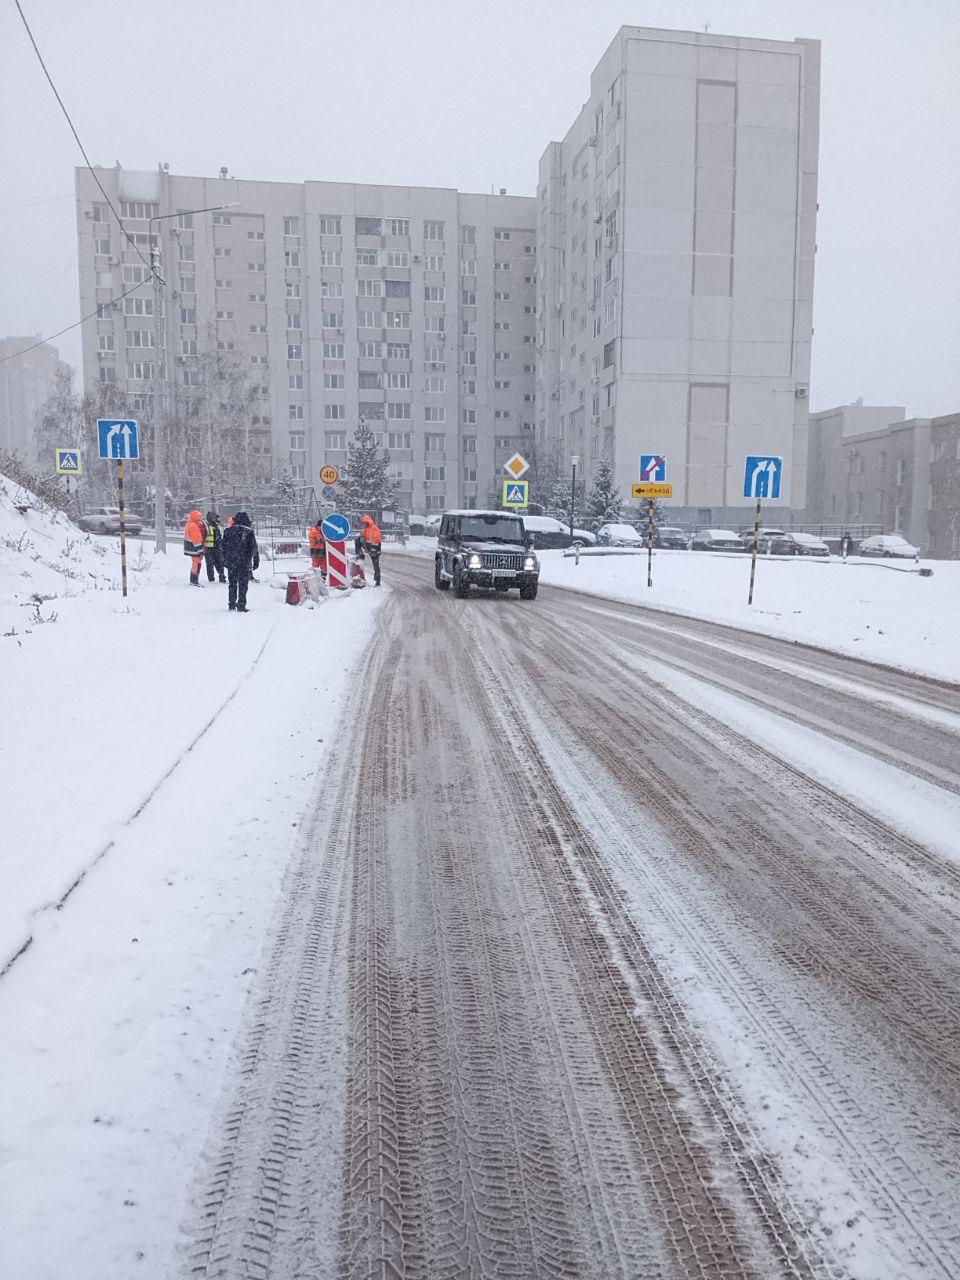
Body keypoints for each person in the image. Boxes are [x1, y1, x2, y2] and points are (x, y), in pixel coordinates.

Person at [222, 511, 260, 612]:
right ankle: (241, 604)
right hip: (244, 562)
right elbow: (253, 548)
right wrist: (255, 560)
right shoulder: (248, 531)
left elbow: (223, 547)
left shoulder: (228, 531)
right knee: (243, 584)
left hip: (231, 562)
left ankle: (231, 603)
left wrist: (224, 560)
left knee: (232, 583)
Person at [355, 513, 382, 586]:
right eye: (362, 523)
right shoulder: (365, 530)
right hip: (368, 547)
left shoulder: (375, 529)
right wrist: (364, 546)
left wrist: (373, 551)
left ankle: (377, 581)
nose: (362, 525)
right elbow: (362, 537)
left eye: (363, 523)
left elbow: (376, 540)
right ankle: (359, 553)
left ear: (367, 522)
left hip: (375, 548)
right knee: (357, 539)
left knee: (375, 565)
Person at [183, 509, 206, 586]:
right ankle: (194, 580)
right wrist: (200, 551)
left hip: (190, 548)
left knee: (195, 563)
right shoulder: (194, 526)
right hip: (194, 549)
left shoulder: (189, 524)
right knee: (196, 564)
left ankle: (194, 580)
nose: (200, 517)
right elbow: (196, 540)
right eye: (198, 516)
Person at [204, 511, 226, 583]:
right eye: (214, 517)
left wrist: (221, 545)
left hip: (216, 548)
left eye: (216, 517)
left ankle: (222, 577)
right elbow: (203, 536)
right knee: (210, 565)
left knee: (219, 563)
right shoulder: (206, 525)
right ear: (210, 518)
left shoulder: (217, 526)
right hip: (208, 548)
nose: (216, 519)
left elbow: (219, 536)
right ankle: (211, 579)